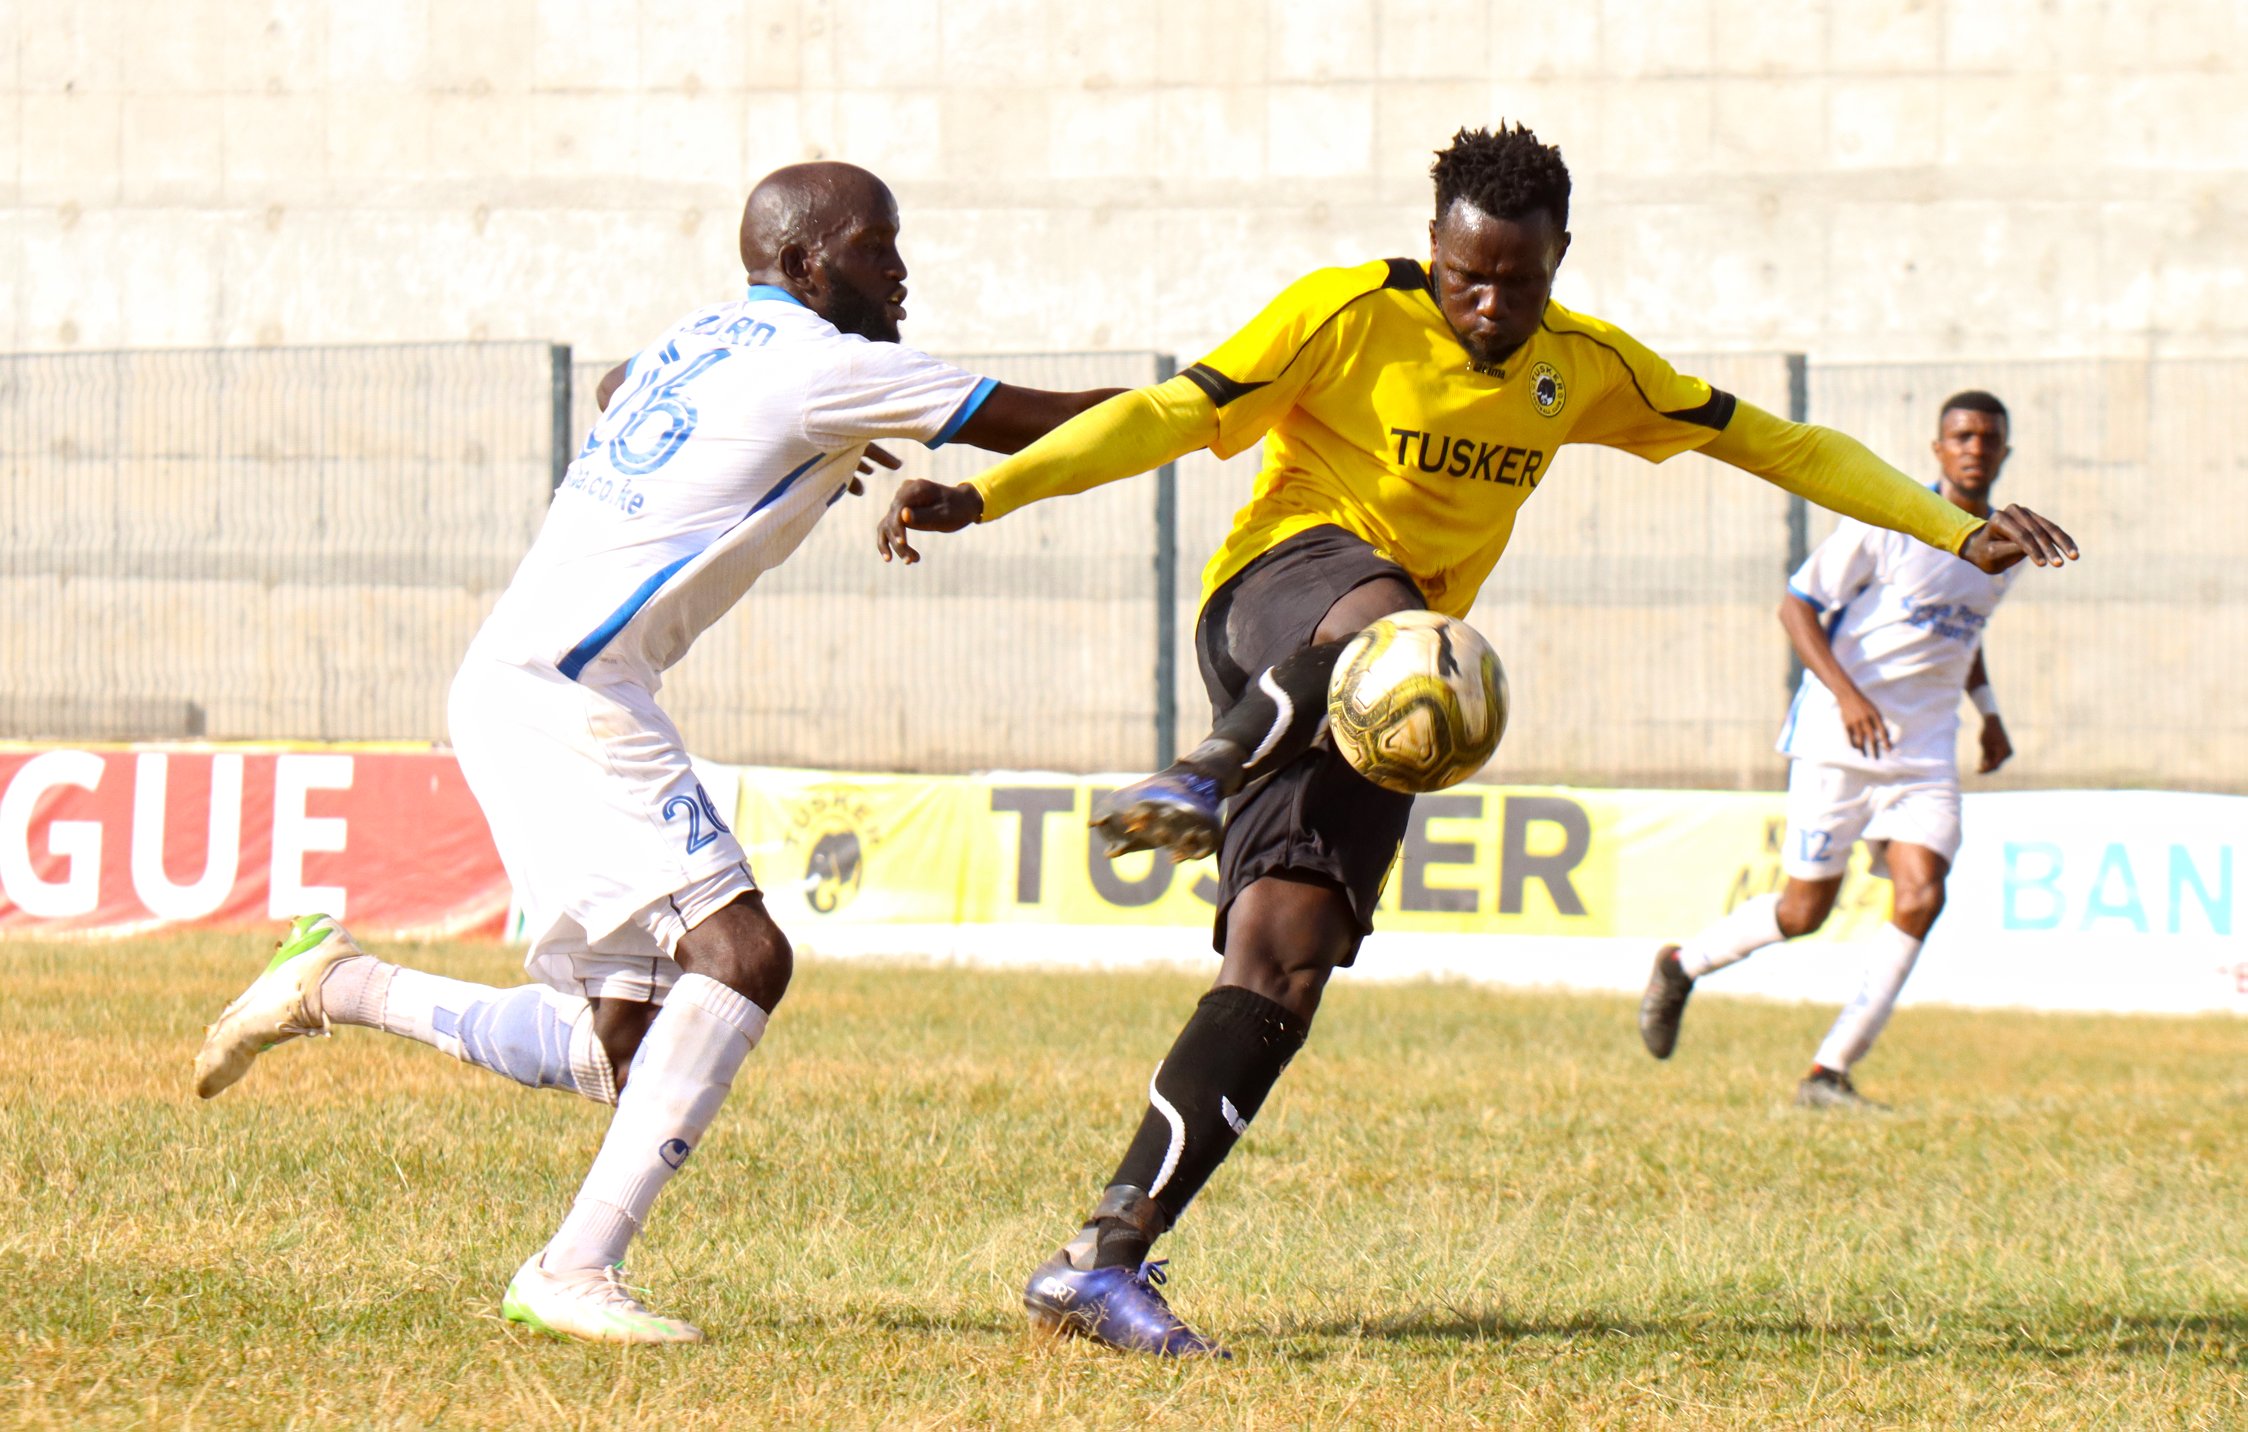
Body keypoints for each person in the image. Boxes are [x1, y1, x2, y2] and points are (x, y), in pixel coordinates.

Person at [876, 126, 2078, 1357]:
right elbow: (1171, 415)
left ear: (1562, 256)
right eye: (1466, 277)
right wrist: (990, 491)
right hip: (1278, 597)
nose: (1490, 306)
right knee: (1402, 632)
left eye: (1520, 280)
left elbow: (1777, 442)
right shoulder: (1343, 313)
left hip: (1396, 677)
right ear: (1431, 249)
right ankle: (1198, 771)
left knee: (1283, 961)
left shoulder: (1588, 366)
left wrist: (1945, 525)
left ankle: (1103, 1257)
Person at [191, 162, 1120, 1345]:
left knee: (617, 1042)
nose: (901, 270)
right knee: (743, 954)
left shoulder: (708, 335)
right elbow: (1057, 420)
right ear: (802, 265)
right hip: (571, 690)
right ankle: (571, 1270)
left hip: (522, 680)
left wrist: (771, 459)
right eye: (876, 247)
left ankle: (338, 983)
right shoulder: (831, 365)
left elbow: (624, 387)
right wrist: (1231, 397)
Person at [1637, 390, 2029, 1109]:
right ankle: (1682, 965)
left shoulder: (2007, 548)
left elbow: (1958, 635)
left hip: (1925, 751)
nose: (1975, 447)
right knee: (1803, 911)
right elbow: (1797, 607)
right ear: (1938, 450)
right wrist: (1848, 695)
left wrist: (1989, 712)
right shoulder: (1890, 523)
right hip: (1838, 739)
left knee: (1922, 895)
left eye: (1988, 438)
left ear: (2005, 453)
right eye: (1962, 436)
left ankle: (1830, 1072)